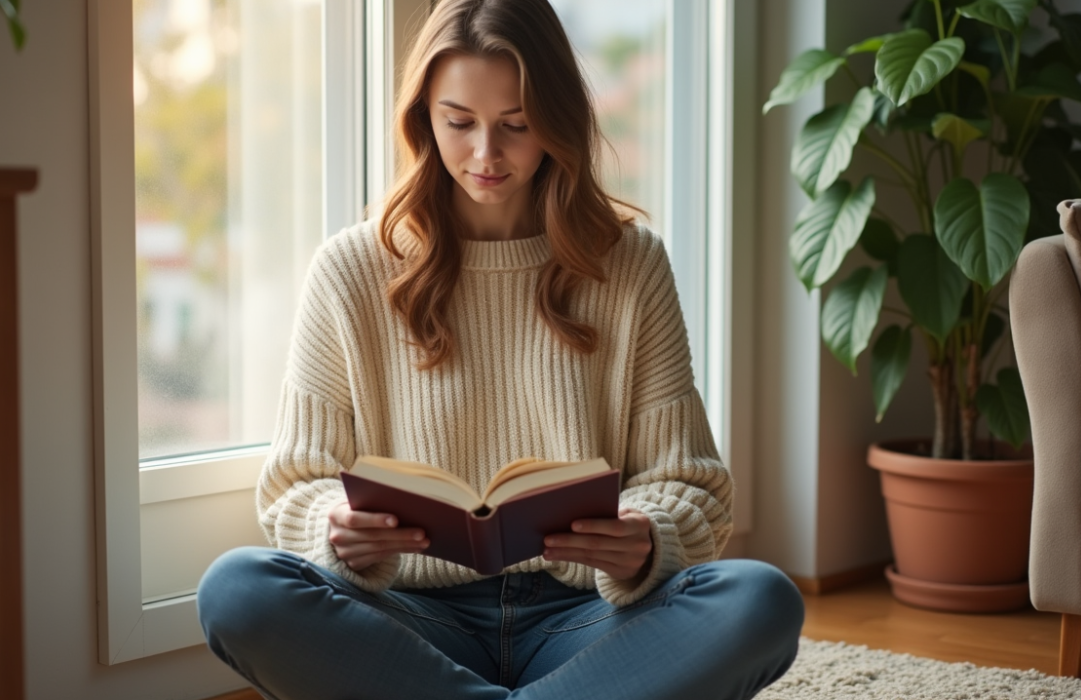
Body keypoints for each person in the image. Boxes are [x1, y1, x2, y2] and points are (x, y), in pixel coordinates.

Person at [197, 0, 803, 698]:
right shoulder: (351, 268)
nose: (485, 154)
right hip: (410, 621)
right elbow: (295, 483)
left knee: (761, 599)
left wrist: (646, 538)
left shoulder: (630, 263)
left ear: (557, 120)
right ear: (423, 115)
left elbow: (689, 479)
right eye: (459, 122)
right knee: (238, 589)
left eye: (516, 125)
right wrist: (333, 528)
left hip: (587, 619)